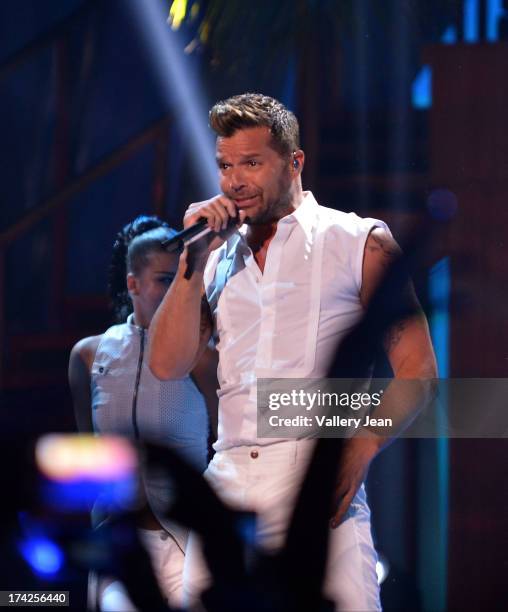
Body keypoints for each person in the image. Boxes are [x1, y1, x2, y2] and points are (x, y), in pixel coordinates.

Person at [148, 94, 437, 611]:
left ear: (294, 162)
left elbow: (418, 372)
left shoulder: (358, 241)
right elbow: (166, 365)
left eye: (252, 163)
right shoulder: (213, 262)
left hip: (316, 488)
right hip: (228, 483)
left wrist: (363, 445)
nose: (235, 181)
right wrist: (192, 264)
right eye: (225, 165)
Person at [68, 215, 217, 610]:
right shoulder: (88, 355)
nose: (174, 289)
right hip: (119, 543)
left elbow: (228, 442)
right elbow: (89, 449)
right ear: (132, 284)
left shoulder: (202, 358)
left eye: (180, 277)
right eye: (163, 280)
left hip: (188, 543)